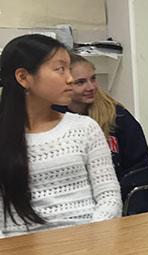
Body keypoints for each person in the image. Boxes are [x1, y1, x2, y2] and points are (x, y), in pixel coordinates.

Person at [0, 34, 122, 237]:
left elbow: (109, 196)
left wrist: (93, 240)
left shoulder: (84, 128)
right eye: (60, 69)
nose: (70, 79)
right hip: (19, 254)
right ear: (23, 77)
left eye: (69, 69)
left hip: (85, 245)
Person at [68, 53, 148, 181]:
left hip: (117, 194)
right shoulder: (53, 118)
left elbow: (139, 163)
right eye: (80, 82)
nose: (91, 87)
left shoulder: (117, 115)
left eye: (93, 78)